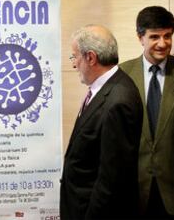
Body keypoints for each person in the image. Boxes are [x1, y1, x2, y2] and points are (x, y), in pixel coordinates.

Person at [120, 6, 174, 217]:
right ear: (140, 38)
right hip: (134, 190)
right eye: (154, 37)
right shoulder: (123, 74)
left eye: (167, 36)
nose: (163, 44)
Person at [60, 24, 143, 219]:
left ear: (90, 57)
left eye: (75, 57)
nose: (73, 64)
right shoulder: (106, 89)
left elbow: (112, 180)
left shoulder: (119, 100)